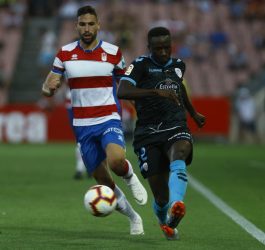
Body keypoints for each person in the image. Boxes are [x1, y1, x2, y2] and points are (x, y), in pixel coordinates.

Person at [41, 5, 147, 235]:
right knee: (104, 181)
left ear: (98, 25)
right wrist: (49, 88)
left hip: (108, 117)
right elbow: (48, 84)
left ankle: (130, 177)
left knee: (117, 162)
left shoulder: (113, 52)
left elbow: (126, 87)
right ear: (76, 26)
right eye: (82, 24)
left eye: (91, 24)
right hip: (82, 126)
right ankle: (133, 217)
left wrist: (142, 113)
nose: (87, 28)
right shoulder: (65, 53)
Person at [117, 27, 206, 241]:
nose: (164, 52)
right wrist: (155, 91)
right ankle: (165, 218)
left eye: (167, 47)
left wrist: (192, 113)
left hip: (175, 125)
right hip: (147, 132)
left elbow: (179, 87)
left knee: (180, 153)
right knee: (160, 195)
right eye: (158, 49)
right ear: (149, 48)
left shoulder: (178, 65)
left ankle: (178, 204)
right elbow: (122, 91)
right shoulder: (140, 65)